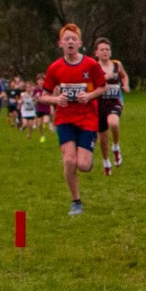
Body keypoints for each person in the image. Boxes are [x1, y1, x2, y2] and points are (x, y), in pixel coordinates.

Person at [43, 25, 108, 216]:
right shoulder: (55, 68)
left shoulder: (90, 65)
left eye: (73, 39)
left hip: (87, 119)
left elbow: (103, 87)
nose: (70, 42)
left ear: (79, 43)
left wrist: (89, 96)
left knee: (83, 165)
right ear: (60, 43)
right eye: (67, 39)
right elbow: (43, 96)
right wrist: (56, 99)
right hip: (65, 119)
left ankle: (88, 157)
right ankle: (76, 202)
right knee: (69, 160)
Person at [93, 38, 129, 174]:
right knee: (102, 138)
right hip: (100, 105)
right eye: (102, 49)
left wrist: (125, 84)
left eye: (107, 49)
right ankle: (106, 162)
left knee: (113, 123)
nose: (105, 52)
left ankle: (115, 147)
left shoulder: (117, 65)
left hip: (114, 102)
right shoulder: (94, 67)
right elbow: (91, 85)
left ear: (110, 51)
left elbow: (124, 76)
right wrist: (104, 78)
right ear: (96, 52)